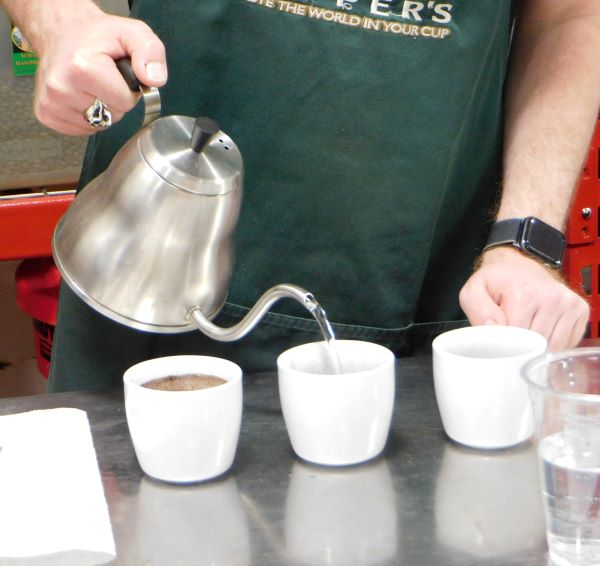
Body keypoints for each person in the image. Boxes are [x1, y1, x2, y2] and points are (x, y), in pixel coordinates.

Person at [1, 0, 596, 392]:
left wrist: (525, 241)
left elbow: (570, 15)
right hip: (149, 258)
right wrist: (57, 22)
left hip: (429, 288)